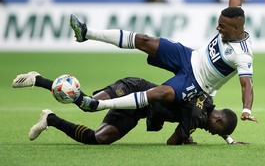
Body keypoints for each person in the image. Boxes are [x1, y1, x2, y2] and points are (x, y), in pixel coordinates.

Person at [68, 0, 265, 122]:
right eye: (218, 24)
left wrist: (246, 109)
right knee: (145, 40)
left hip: (196, 82)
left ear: (236, 28)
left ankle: (98, 105)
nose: (217, 28)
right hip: (188, 56)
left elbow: (247, 84)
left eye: (222, 27)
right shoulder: (233, 18)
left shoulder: (243, 54)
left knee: (158, 93)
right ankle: (86, 33)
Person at [12, 71, 245, 145]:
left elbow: (209, 114)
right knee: (89, 105)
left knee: (97, 139)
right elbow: (172, 142)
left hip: (137, 111)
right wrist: (187, 135)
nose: (211, 133)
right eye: (214, 132)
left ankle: (50, 119)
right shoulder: (196, 116)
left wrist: (229, 139)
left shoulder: (207, 100)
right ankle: (39, 79)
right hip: (135, 88)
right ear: (217, 121)